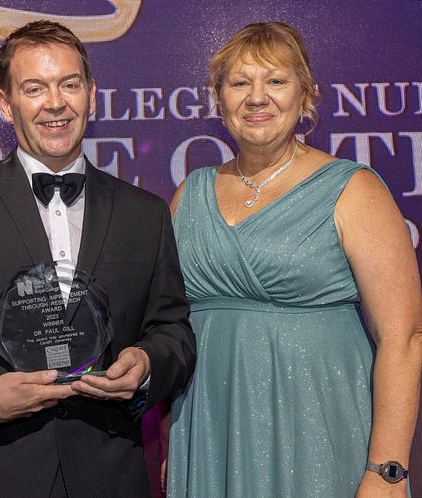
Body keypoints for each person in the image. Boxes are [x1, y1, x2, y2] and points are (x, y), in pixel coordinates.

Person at [0, 20, 196, 498]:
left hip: (106, 475)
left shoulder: (145, 213)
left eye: (69, 85)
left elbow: (173, 329)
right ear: (6, 105)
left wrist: (147, 362)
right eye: (34, 88)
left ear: (90, 93)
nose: (55, 103)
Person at [165, 21, 422, 497]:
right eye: (240, 83)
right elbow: (168, 330)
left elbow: (403, 338)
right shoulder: (190, 194)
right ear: (218, 99)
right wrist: (170, 445)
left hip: (322, 430)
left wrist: (388, 469)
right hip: (207, 429)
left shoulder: (353, 189)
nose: (257, 98)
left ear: (306, 95)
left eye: (276, 81)